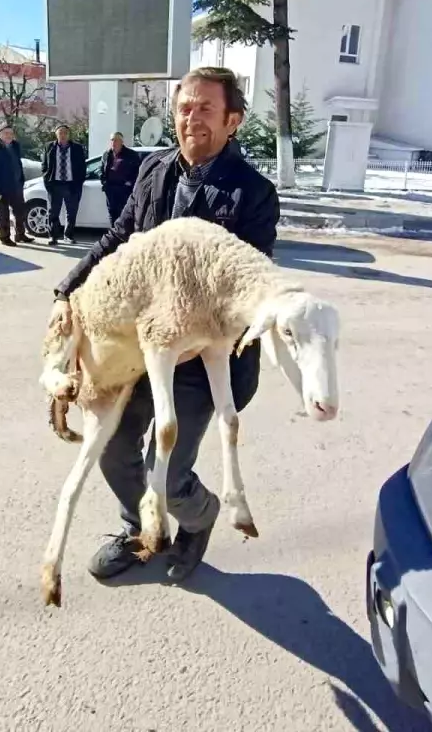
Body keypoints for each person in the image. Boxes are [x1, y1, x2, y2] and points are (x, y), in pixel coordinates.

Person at [49, 66, 280, 585]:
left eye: (205, 108)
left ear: (233, 121)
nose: (191, 117)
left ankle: (198, 518)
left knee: (170, 472)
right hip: (144, 346)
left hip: (204, 359)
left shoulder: (253, 194)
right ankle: (142, 528)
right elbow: (121, 237)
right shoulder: (156, 171)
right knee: (110, 448)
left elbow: (245, 289)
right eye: (184, 107)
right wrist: (67, 290)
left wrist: (187, 336)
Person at [0, 126, 31, 247]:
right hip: (2, 187)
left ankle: (20, 234)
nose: (9, 135)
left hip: (16, 185)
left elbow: (18, 164)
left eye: (11, 133)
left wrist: (21, 180)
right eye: (6, 133)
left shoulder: (15, 145)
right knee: (3, 214)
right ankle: (5, 237)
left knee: (20, 212)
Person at [41, 125, 86, 245]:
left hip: (72, 185)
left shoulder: (77, 148)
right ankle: (53, 236)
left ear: (69, 134)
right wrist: (47, 181)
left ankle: (68, 235)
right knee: (53, 212)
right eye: (60, 133)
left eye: (65, 133)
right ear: (56, 134)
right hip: (55, 184)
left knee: (71, 212)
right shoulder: (49, 147)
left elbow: (82, 167)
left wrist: (79, 182)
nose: (63, 135)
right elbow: (44, 165)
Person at [98, 132, 141, 224]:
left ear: (122, 141)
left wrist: (130, 183)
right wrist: (104, 181)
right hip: (110, 189)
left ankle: (124, 236)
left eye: (116, 140)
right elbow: (100, 169)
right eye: (112, 140)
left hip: (124, 189)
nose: (114, 142)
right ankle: (114, 234)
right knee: (112, 213)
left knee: (124, 214)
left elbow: (138, 171)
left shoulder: (131, 154)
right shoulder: (107, 154)